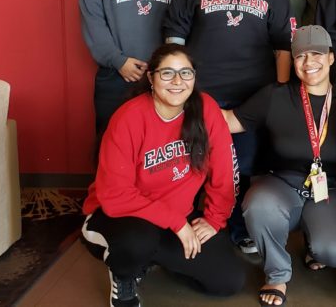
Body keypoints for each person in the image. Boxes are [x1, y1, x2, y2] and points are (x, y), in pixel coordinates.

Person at [165, 0, 294, 255]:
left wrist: (279, 91)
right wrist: (171, 85)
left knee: (243, 167)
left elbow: (283, 43)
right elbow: (175, 30)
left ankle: (239, 229)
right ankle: (189, 226)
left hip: (250, 98)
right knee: (193, 164)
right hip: (200, 93)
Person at [80, 43, 246, 307]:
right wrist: (177, 224)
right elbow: (115, 196)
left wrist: (215, 219)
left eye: (186, 73)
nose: (177, 81)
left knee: (228, 280)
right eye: (167, 73)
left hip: (173, 218)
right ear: (151, 78)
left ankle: (153, 258)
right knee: (137, 243)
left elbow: (224, 172)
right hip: (120, 217)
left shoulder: (206, 109)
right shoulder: (129, 117)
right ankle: (124, 275)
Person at [221, 25, 336, 307]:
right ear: (292, 61)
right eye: (300, 56)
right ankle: (277, 273)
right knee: (258, 205)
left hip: (331, 188)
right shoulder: (274, 96)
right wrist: (181, 99)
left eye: (317, 54)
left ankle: (315, 245)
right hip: (281, 184)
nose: (309, 63)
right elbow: (228, 121)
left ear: (331, 58)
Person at [79, 0, 187, 160]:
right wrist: (119, 61)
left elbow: (183, 23)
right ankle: (107, 202)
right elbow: (93, 21)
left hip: (164, 77)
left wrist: (166, 68)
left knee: (160, 149)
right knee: (111, 146)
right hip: (115, 75)